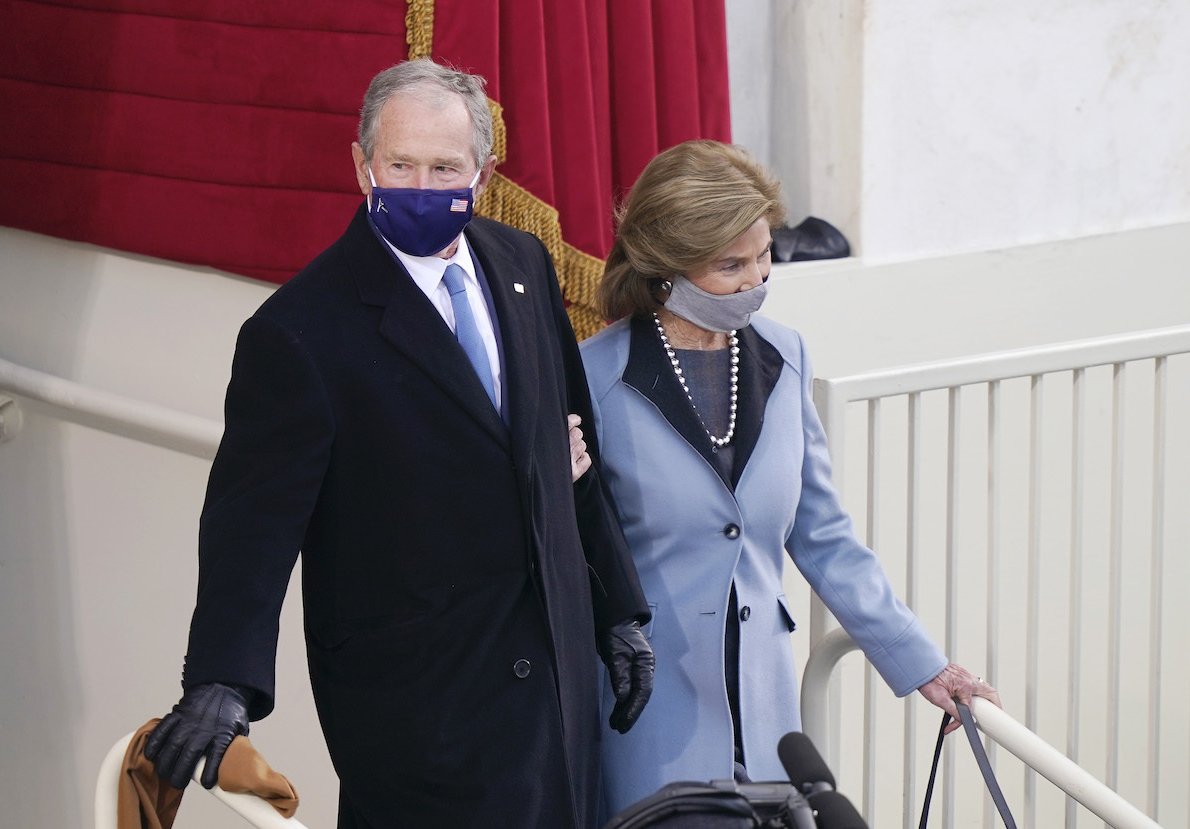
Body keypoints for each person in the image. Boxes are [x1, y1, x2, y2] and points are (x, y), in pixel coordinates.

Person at [144, 58, 655, 829]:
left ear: (483, 172)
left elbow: (575, 455)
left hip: (553, 686)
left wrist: (618, 609)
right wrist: (222, 679)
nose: (420, 184)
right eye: (400, 164)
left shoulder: (523, 263)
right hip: (421, 713)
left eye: (444, 166)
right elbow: (253, 524)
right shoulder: (299, 331)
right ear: (361, 165)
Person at [579, 140, 1000, 819]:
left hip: (767, 715)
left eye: (764, 254)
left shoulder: (787, 354)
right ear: (667, 268)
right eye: (731, 264)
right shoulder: (593, 376)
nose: (757, 279)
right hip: (649, 721)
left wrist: (924, 663)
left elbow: (826, 537)